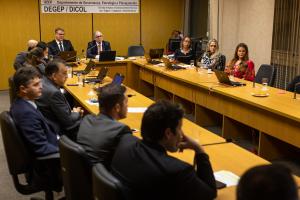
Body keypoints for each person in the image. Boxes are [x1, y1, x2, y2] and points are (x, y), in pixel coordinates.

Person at [111, 100, 217, 200]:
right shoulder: (179, 171)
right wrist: (199, 150)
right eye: (180, 128)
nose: (182, 135)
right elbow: (210, 193)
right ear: (168, 133)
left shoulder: (124, 142)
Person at [10, 66, 62, 192]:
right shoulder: (26, 114)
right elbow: (42, 149)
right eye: (36, 84)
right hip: (47, 167)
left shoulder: (22, 103)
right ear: (23, 89)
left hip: (51, 144)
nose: (41, 87)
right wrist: (68, 153)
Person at [77, 83, 131, 167]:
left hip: (88, 174)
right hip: (103, 177)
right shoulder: (121, 130)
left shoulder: (87, 119)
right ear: (117, 107)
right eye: (126, 102)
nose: (128, 106)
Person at [36, 59, 82, 138]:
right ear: (54, 76)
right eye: (64, 73)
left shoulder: (43, 82)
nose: (67, 76)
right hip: (59, 131)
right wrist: (76, 113)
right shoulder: (54, 93)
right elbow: (69, 122)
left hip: (49, 122)